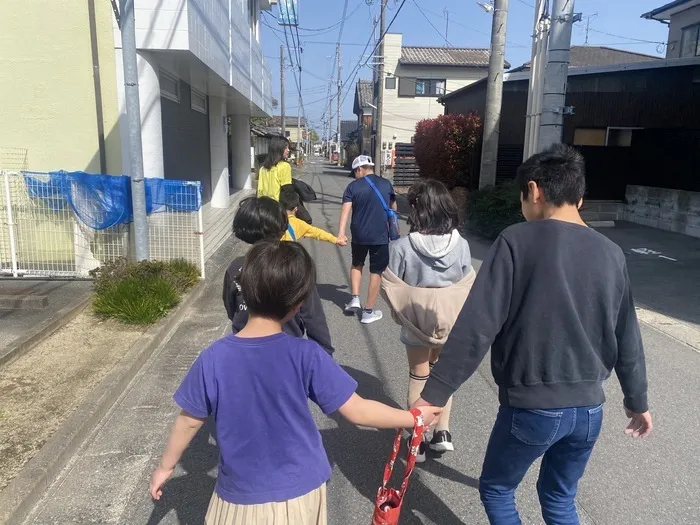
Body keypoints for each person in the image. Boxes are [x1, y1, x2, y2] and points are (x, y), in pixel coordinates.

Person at [414, 144, 653, 525]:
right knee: (560, 499)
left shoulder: (516, 241)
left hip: (532, 405)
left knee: (497, 489)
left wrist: (434, 396)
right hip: (589, 410)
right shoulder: (611, 253)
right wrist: (636, 399)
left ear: (534, 190)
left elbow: (477, 326)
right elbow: (627, 333)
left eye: (522, 197)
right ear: (580, 197)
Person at [150, 241, 443, 525]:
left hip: (239, 493)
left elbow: (188, 421)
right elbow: (358, 411)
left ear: (244, 292)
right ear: (298, 304)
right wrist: (412, 418)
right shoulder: (306, 355)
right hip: (300, 490)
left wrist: (165, 467)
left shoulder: (212, 358)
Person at [381, 179, 474, 462]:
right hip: (450, 321)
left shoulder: (402, 247)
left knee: (419, 376)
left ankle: (417, 441)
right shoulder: (462, 245)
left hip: (417, 323)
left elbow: (392, 284)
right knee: (442, 376)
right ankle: (443, 433)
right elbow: (466, 280)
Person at [223, 196, 335, 355]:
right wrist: (324, 356)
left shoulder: (236, 267)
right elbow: (313, 318)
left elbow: (230, 308)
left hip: (242, 352)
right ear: (282, 226)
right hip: (288, 353)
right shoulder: (295, 266)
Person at [338, 155, 397, 324]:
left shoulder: (353, 187)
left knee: (357, 264)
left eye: (355, 172)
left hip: (359, 234)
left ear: (359, 169)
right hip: (380, 235)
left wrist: (341, 233)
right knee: (376, 271)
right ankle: (368, 311)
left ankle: (355, 298)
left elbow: (345, 211)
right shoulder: (386, 184)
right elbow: (393, 207)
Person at [279, 186, 344, 246]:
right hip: (287, 255)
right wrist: (336, 240)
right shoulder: (299, 224)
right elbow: (317, 233)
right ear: (296, 208)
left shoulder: (273, 219)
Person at [257, 136, 292, 201]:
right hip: (277, 206)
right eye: (285, 147)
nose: (288, 150)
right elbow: (287, 191)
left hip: (263, 205)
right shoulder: (285, 166)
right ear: (277, 149)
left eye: (288, 147)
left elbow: (259, 190)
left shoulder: (263, 168)